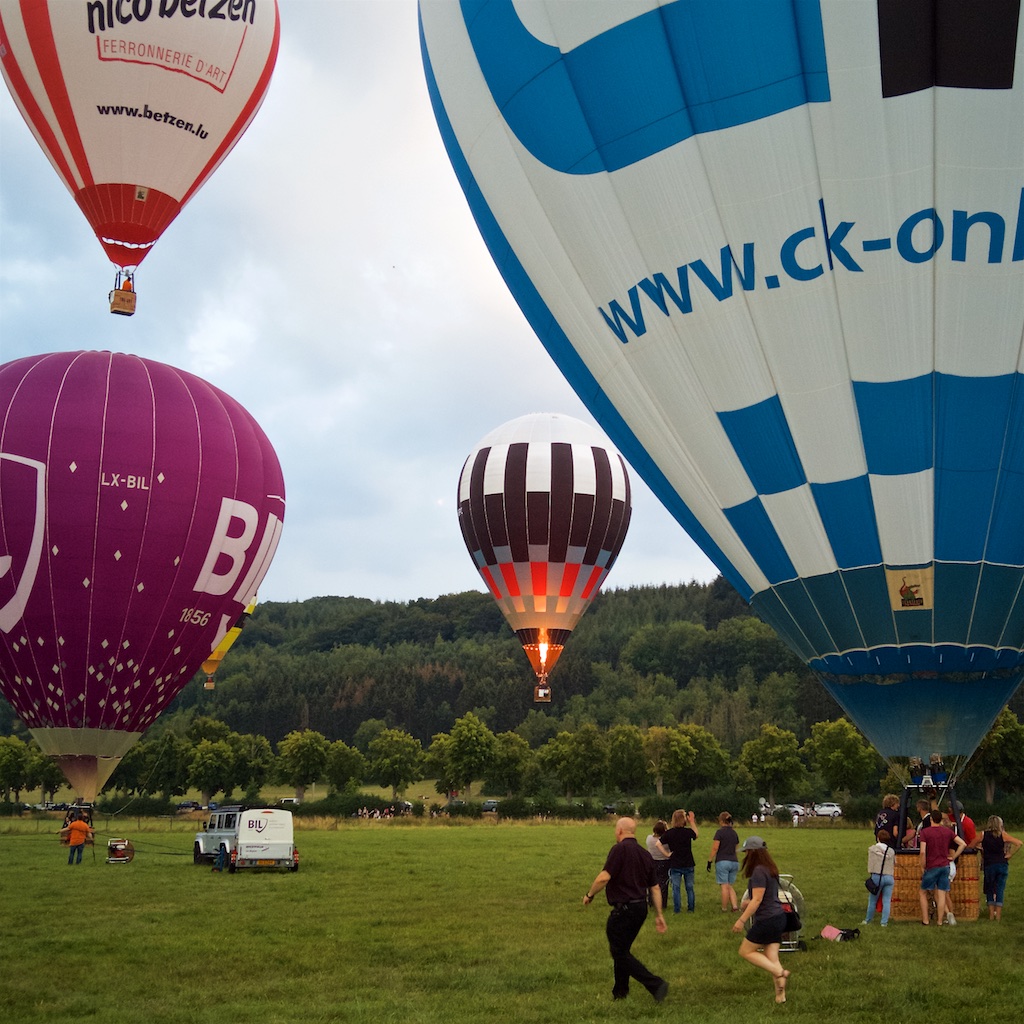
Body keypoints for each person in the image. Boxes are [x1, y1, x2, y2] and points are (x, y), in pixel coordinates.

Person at [583, 817, 669, 1003]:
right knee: (622, 950)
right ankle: (620, 992)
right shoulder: (645, 854)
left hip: (624, 910)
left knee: (619, 952)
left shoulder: (619, 849)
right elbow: (655, 888)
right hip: (640, 909)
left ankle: (655, 984)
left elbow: (604, 877)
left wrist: (590, 895)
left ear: (620, 831)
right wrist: (659, 915)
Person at [732, 836, 790, 1004]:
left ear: (753, 852)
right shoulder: (770, 868)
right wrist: (747, 903)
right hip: (778, 917)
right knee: (772, 957)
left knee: (745, 951)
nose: (745, 855)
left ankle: (779, 972)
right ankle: (780, 997)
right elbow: (764, 896)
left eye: (746, 852)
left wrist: (741, 920)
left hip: (767, 920)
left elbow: (757, 900)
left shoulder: (758, 871)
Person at [918, 809, 966, 925]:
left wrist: (922, 865)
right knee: (942, 893)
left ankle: (925, 920)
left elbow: (923, 852)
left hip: (932, 865)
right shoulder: (947, 832)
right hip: (945, 865)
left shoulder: (925, 832)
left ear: (931, 819)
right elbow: (963, 844)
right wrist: (953, 857)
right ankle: (940, 921)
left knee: (923, 892)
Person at [979, 814, 1022, 920]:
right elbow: (1019, 843)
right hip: (1002, 864)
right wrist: (1009, 854)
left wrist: (980, 849)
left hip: (989, 864)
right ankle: (998, 916)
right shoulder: (1003, 835)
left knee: (990, 889)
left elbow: (972, 844)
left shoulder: (983, 835)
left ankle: (991, 915)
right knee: (999, 890)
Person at [657, 808, 698, 913]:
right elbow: (696, 835)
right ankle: (691, 908)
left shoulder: (669, 833)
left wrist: (667, 854)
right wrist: (692, 822)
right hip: (688, 863)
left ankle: (677, 909)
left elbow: (658, 844)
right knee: (689, 887)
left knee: (676, 888)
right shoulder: (687, 832)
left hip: (675, 863)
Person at [708, 811, 740, 912]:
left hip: (722, 861)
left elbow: (715, 848)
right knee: (729, 885)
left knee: (724, 886)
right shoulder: (734, 833)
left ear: (721, 821)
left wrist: (710, 860)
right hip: (734, 861)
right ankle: (735, 906)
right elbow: (736, 848)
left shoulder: (720, 832)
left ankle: (724, 908)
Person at [862, 829, 895, 926]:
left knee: (873, 900)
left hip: (877, 876)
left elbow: (870, 865)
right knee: (886, 901)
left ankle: (868, 920)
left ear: (878, 838)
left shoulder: (872, 849)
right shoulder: (891, 851)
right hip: (889, 877)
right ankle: (884, 922)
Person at [645, 819, 670, 911]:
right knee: (663, 883)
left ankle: (651, 901)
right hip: (664, 862)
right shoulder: (666, 841)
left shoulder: (649, 838)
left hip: (651, 862)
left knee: (651, 882)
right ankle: (662, 903)